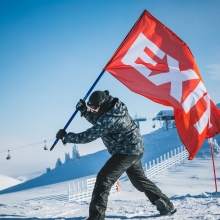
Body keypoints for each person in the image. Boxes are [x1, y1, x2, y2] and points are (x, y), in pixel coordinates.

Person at [56, 90, 176, 219]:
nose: (93, 110)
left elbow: (88, 135)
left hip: (126, 152)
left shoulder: (111, 118)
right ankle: (166, 206)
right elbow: (98, 121)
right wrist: (85, 111)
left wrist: (67, 137)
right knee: (139, 181)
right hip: (134, 150)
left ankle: (96, 217)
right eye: (90, 107)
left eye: (93, 107)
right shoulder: (112, 109)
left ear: (101, 104)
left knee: (104, 178)